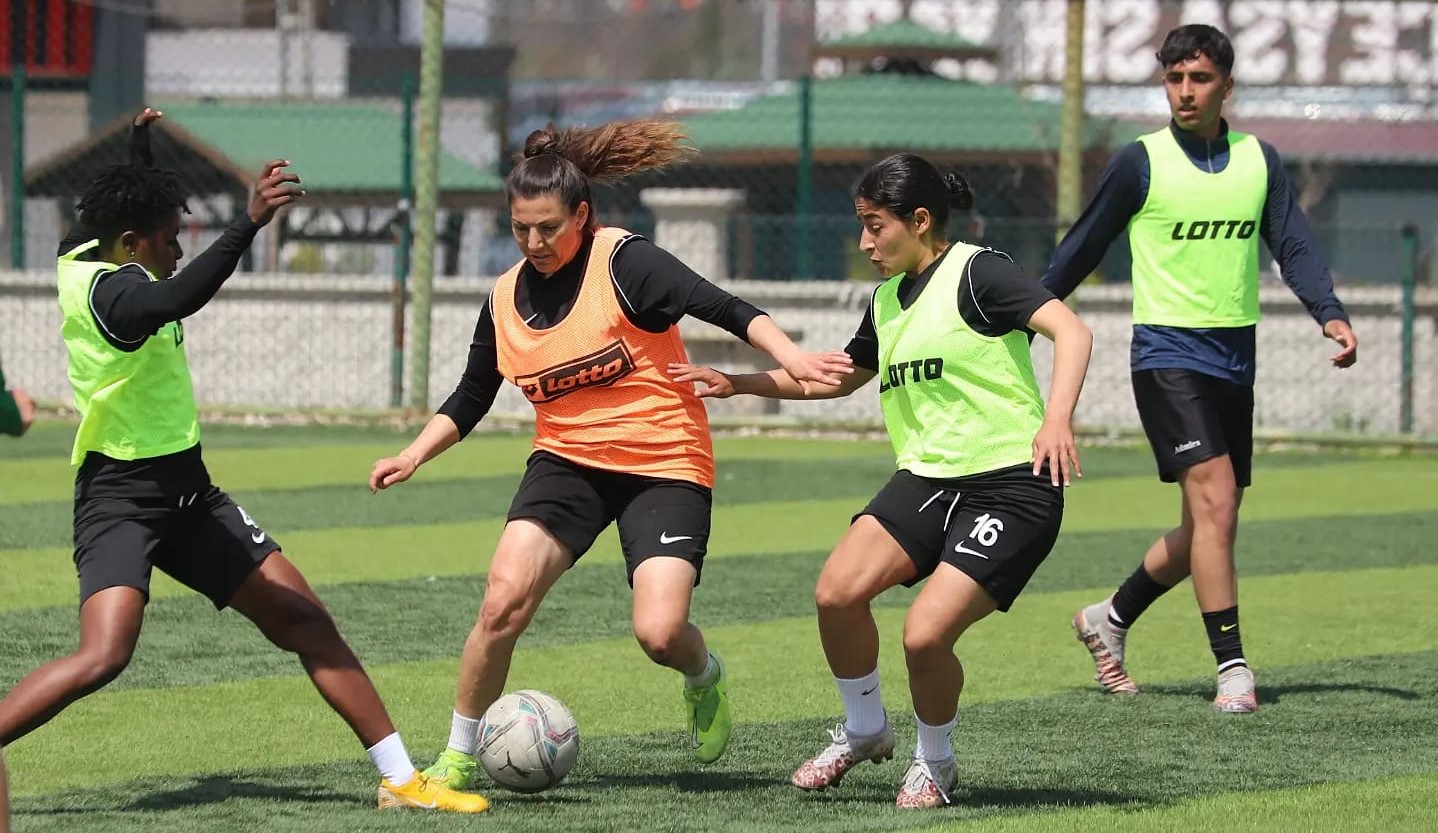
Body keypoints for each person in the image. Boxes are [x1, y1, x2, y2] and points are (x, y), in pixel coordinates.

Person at [0, 109, 489, 814]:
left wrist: (142, 150)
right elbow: (177, 295)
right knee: (105, 654)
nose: (178, 248)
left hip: (190, 495)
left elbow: (128, 221)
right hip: (121, 499)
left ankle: (401, 779)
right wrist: (249, 222)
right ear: (132, 244)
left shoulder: (92, 248)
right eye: (170, 240)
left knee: (306, 620)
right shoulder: (112, 292)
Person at [369, 119, 852, 788]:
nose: (535, 242)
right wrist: (414, 453)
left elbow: (727, 307)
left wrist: (793, 356)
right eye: (521, 229)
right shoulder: (504, 297)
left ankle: (703, 674)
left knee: (659, 631)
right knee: (501, 601)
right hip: (567, 463)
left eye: (549, 228)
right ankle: (455, 754)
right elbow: (471, 395)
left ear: (583, 216)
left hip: (664, 461)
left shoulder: (625, 263)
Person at [671, 153, 1094, 808]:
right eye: (861, 226)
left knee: (924, 633)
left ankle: (936, 763)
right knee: (837, 592)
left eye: (875, 226)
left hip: (1013, 482)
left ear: (920, 220)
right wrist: (740, 383)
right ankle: (866, 728)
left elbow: (1070, 329)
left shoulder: (979, 272)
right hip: (927, 479)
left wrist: (1057, 419)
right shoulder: (888, 299)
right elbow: (841, 373)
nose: (865, 242)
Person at [1041, 24, 1359, 714]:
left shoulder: (1259, 160)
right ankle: (1234, 669)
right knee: (1214, 505)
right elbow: (1083, 245)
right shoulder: (1140, 162)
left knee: (1210, 524)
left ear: (1227, 86)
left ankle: (1109, 617)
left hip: (1233, 359)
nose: (1185, 92)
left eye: (1200, 79)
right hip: (1166, 355)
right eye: (1175, 79)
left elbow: (1294, 246)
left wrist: (1328, 312)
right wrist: (1026, 311)